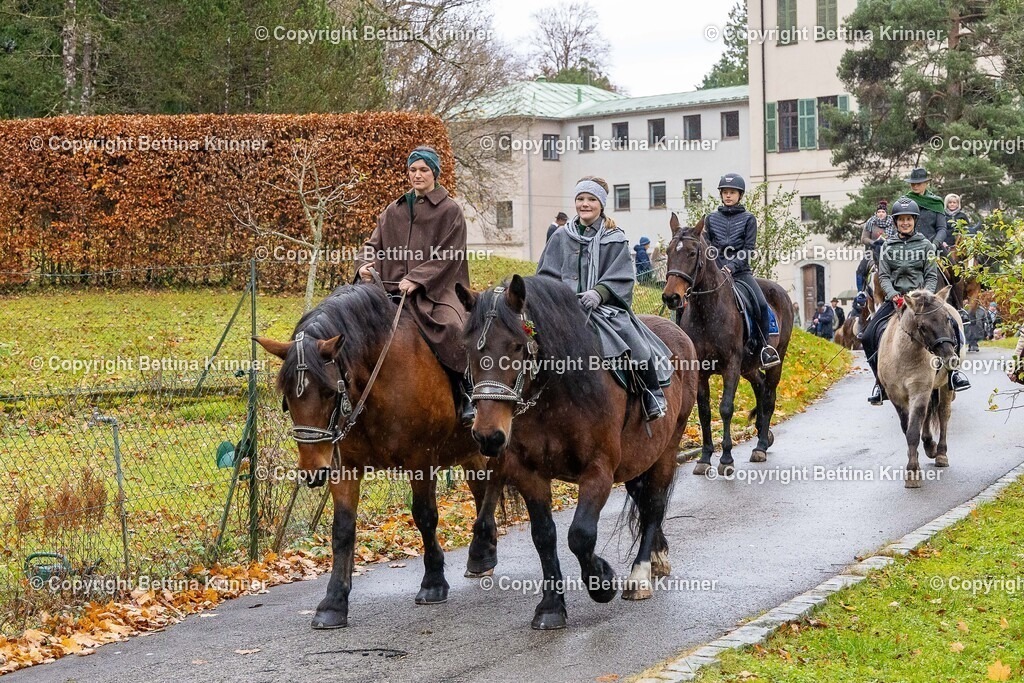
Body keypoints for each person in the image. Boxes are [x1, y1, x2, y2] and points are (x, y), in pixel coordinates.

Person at [354, 145, 475, 425]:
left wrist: (417, 279)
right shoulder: (393, 210)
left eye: (423, 169)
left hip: (439, 290)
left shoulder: (450, 211)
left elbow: (449, 256)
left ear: (434, 173)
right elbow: (372, 245)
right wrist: (363, 264)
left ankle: (467, 392)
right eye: (413, 170)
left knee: (452, 328)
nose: (417, 175)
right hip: (390, 288)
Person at [537, 176, 673, 421]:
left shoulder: (615, 237)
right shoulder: (559, 236)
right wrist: (559, 299)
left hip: (604, 308)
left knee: (635, 342)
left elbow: (622, 276)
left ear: (601, 204)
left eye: (591, 199)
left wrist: (598, 293)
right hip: (562, 309)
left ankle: (653, 393)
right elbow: (546, 274)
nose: (585, 204)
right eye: (580, 199)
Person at [859, 198, 971, 405]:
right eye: (901, 220)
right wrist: (893, 294)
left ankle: (953, 373)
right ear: (895, 222)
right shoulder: (888, 247)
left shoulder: (926, 245)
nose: (905, 223)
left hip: (922, 300)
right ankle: (880, 382)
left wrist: (924, 297)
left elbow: (930, 275)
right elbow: (883, 276)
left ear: (914, 221)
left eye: (908, 219)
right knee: (867, 336)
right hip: (895, 299)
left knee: (952, 324)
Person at [703, 173, 781, 368]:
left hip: (741, 273)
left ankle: (765, 349)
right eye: (725, 192)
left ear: (740, 195)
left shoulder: (748, 219)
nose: (728, 196)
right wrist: (718, 266)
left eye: (732, 192)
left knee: (762, 305)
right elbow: (709, 247)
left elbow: (748, 249)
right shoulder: (711, 219)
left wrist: (731, 266)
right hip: (716, 272)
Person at [901, 168, 951, 255]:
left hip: (932, 245)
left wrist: (935, 244)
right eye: (913, 183)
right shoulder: (903, 202)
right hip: (907, 245)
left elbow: (942, 228)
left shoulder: (936, 202)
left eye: (918, 183)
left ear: (926, 183)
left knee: (953, 267)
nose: (915, 186)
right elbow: (897, 226)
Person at [857, 200, 894, 291]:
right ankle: (860, 292)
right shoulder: (870, 223)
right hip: (873, 251)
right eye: (879, 212)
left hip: (890, 251)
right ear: (876, 213)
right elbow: (863, 238)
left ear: (886, 213)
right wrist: (873, 242)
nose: (881, 214)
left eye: (883, 212)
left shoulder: (893, 223)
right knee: (861, 269)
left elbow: (897, 236)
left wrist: (887, 241)